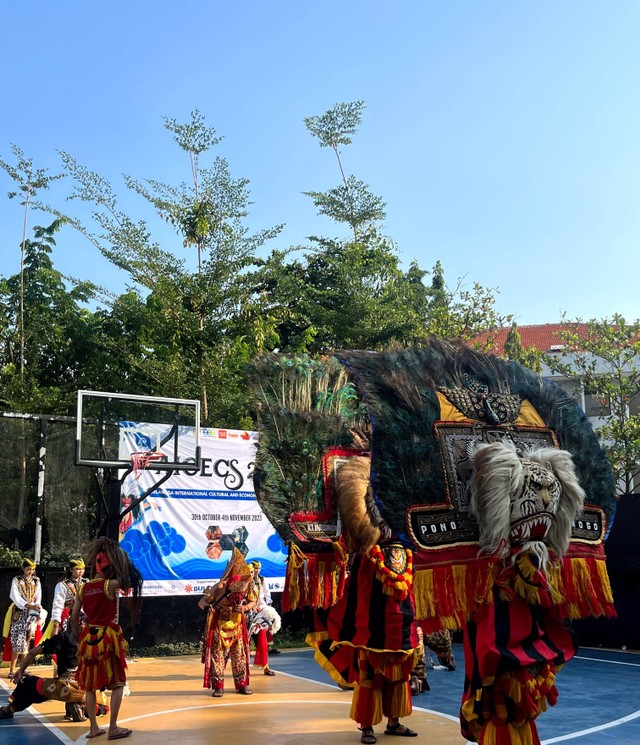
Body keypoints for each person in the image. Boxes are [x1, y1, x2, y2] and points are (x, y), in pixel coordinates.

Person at [71, 537, 142, 741]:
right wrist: (122, 560)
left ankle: (93, 727)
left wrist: (79, 638)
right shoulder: (110, 585)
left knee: (91, 686)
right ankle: (113, 727)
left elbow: (74, 618)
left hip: (88, 638)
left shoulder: (83, 588)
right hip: (107, 638)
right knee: (118, 683)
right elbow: (131, 579)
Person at [199, 547, 257, 697]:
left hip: (237, 624)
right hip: (220, 625)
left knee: (239, 655)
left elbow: (253, 602)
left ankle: (242, 685)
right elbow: (202, 602)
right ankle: (218, 687)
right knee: (217, 655)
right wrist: (208, 606)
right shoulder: (220, 586)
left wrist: (244, 607)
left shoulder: (246, 585)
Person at [0, 629, 87, 722]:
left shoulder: (64, 637)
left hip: (66, 686)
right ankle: (82, 706)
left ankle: (8, 709)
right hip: (88, 687)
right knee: (97, 700)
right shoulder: (95, 638)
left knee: (28, 683)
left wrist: (21, 670)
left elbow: (32, 652)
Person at [3, 558, 47, 676]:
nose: (31, 571)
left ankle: (22, 669)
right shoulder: (16, 580)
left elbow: (38, 596)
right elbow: (15, 596)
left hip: (31, 613)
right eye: (28, 569)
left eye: (32, 569)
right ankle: (12, 669)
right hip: (19, 611)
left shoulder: (36, 581)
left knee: (28, 639)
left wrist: (37, 607)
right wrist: (28, 605)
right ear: (23, 568)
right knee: (17, 639)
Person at [248, 560, 281, 677]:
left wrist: (266, 607)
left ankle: (266, 667)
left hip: (259, 614)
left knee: (262, 641)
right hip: (246, 614)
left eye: (257, 569)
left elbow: (266, 595)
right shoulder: (244, 582)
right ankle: (243, 669)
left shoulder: (262, 580)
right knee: (243, 643)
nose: (255, 572)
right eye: (252, 570)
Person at [49, 559, 87, 636]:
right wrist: (56, 621)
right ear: (71, 570)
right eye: (78, 569)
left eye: (82, 569)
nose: (81, 571)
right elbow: (58, 603)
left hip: (84, 616)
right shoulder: (62, 584)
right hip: (68, 616)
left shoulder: (87, 583)